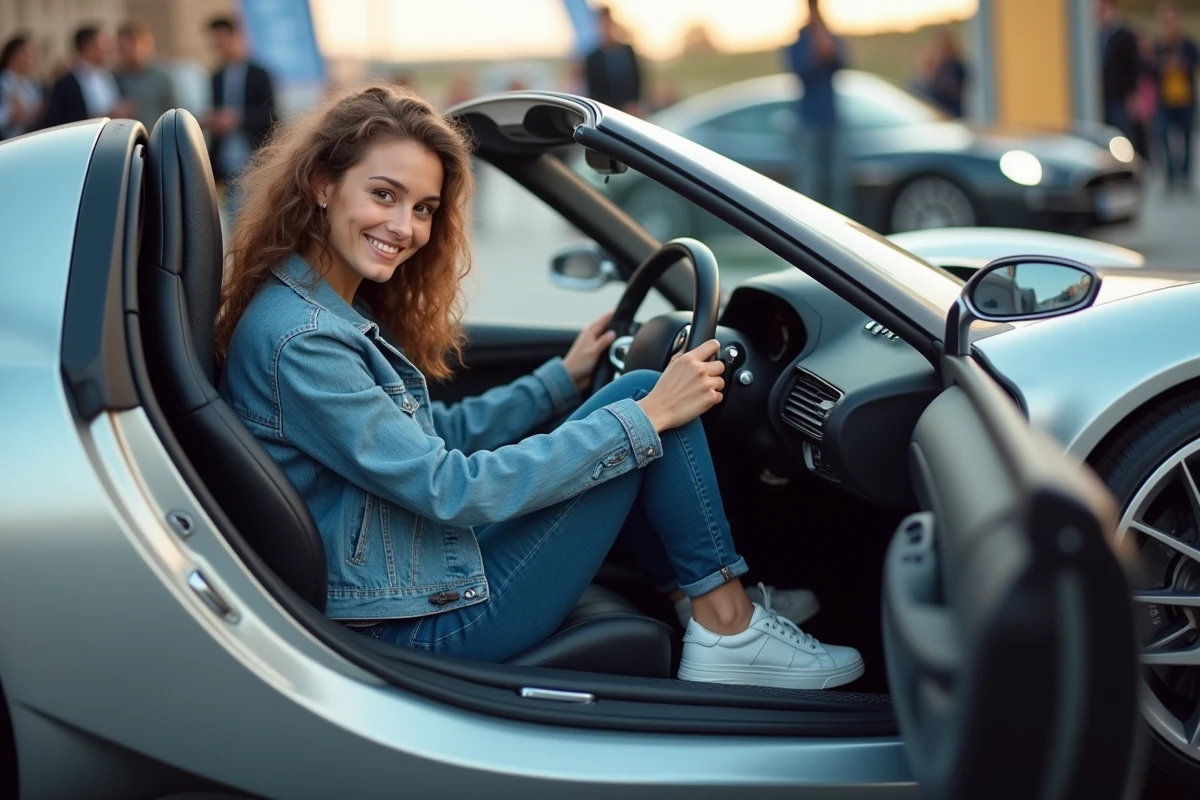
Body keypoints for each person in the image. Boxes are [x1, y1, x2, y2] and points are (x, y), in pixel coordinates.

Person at [215, 84, 862, 689]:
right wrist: (648, 417)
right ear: (323, 184)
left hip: (406, 581)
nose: (406, 228)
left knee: (636, 396)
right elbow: (448, 486)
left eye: (424, 209)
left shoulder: (315, 310)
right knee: (642, 405)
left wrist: (562, 379)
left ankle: (719, 609)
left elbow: (433, 436)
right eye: (383, 195)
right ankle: (727, 625)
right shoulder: (306, 341)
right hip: (411, 628)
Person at [202, 16, 276, 202]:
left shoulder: (259, 74)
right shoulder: (216, 77)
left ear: (236, 36)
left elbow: (270, 115)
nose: (219, 46)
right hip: (224, 160)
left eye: (222, 39)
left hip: (253, 156)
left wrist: (237, 118)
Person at [787, 0, 850, 213]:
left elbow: (840, 60)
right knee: (810, 183)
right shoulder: (799, 40)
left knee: (836, 183)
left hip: (831, 121)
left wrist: (822, 30)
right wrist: (815, 37)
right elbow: (804, 69)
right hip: (808, 123)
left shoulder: (830, 35)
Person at [40, 25, 132, 129]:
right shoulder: (65, 84)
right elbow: (58, 122)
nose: (108, 49)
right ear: (88, 47)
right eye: (103, 44)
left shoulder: (110, 76)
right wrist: (102, 116)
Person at [1152, 1, 1198, 192]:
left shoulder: (1188, 44)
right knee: (1164, 138)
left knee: (1187, 139)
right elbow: (1149, 68)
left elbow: (1194, 63)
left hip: (1186, 99)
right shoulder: (1159, 45)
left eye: (1173, 20)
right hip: (1165, 100)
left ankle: (1185, 177)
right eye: (1167, 20)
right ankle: (1171, 176)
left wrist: (1182, 65)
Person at [115, 19, 178, 132]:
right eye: (122, 47)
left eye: (131, 45)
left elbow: (175, 115)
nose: (126, 51)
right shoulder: (116, 77)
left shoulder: (162, 77)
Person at [583, 5, 643, 115]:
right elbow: (594, 92)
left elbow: (637, 78)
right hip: (606, 114)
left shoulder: (627, 51)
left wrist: (634, 103)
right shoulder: (592, 58)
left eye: (607, 24)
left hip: (630, 112)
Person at [1098, 0, 1140, 141]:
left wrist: (1133, 94)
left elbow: (1133, 66)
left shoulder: (1125, 36)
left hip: (1119, 96)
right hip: (1101, 95)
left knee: (1123, 133)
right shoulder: (1095, 35)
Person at [0, 34, 44, 139]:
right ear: (14, 56)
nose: (31, 60)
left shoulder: (32, 83)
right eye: (26, 55)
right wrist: (10, 115)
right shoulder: (3, 82)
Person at [928, 33, 967, 119]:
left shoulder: (955, 66)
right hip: (939, 109)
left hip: (952, 110)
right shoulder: (940, 66)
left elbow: (955, 88)